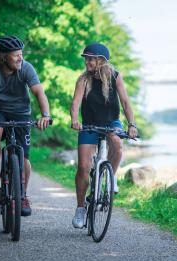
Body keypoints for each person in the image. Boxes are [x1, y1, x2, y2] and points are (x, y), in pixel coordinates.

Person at [0, 35, 50, 217]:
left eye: (21, 54)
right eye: (16, 55)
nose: (20, 58)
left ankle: (22, 195)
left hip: (21, 112)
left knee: (24, 159)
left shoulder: (26, 68)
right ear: (3, 56)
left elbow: (39, 92)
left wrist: (45, 115)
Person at [70, 42, 138, 228]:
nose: (87, 62)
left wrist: (132, 124)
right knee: (83, 166)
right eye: (86, 59)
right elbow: (75, 103)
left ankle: (110, 177)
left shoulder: (115, 76)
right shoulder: (83, 80)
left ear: (101, 61)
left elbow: (125, 102)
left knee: (117, 143)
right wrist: (75, 120)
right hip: (89, 124)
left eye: (91, 59)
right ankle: (81, 208)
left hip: (111, 123)